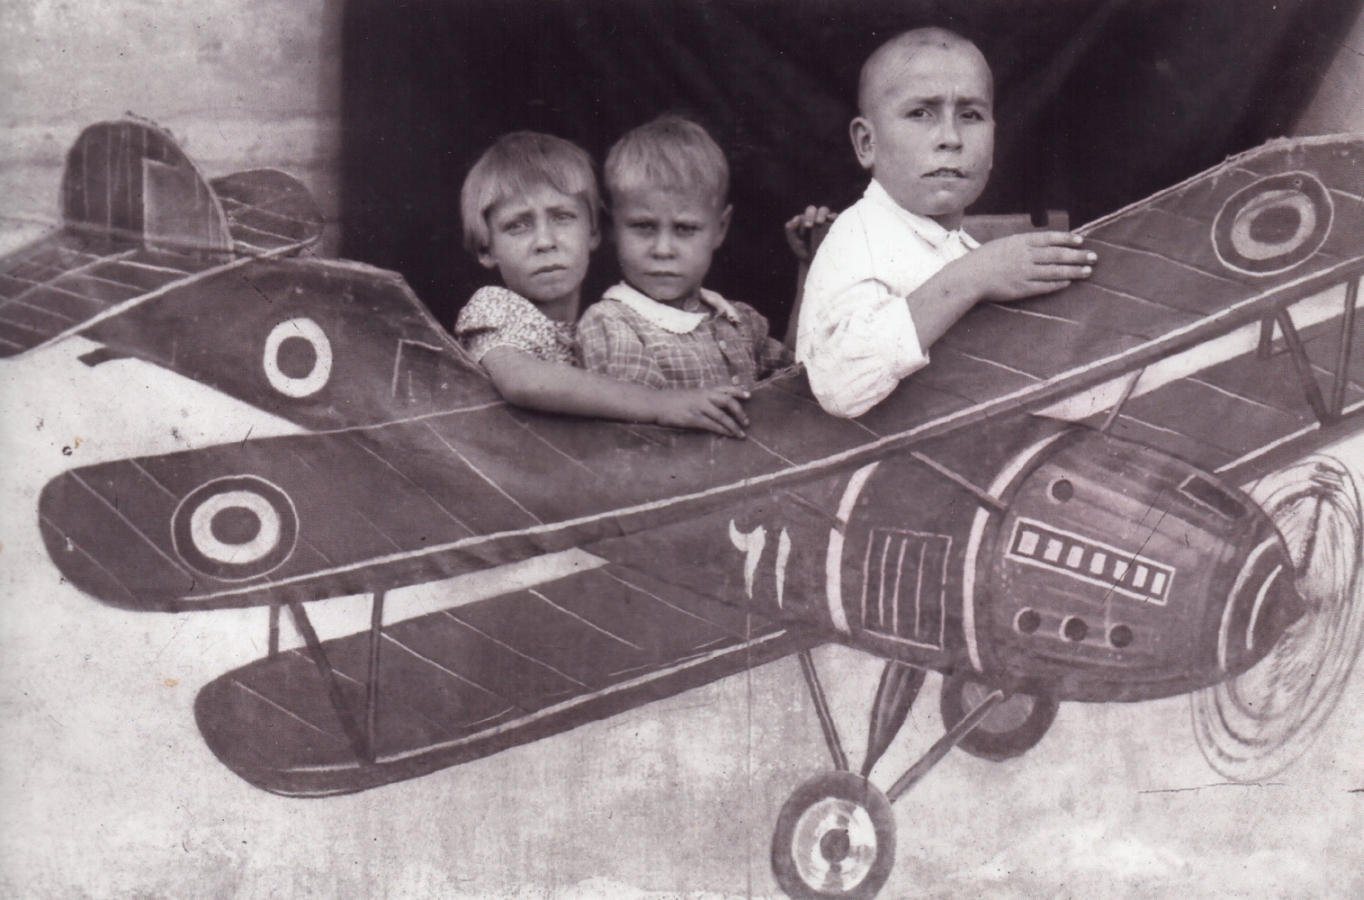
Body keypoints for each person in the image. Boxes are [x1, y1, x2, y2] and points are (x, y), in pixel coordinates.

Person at [795, 28, 1098, 418]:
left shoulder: (960, 248)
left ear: (992, 143)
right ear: (867, 143)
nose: (951, 138)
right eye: (921, 113)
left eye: (970, 115)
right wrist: (972, 277)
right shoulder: (856, 239)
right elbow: (837, 385)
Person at [454, 131, 750, 437]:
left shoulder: (598, 326)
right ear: (485, 248)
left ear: (594, 231)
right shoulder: (494, 307)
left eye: (562, 217)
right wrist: (661, 404)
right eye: (518, 225)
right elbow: (523, 381)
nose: (545, 242)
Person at [577, 116, 792, 394]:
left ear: (720, 228)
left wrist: (808, 269)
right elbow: (641, 433)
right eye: (643, 226)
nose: (663, 250)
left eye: (685, 228)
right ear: (612, 227)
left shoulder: (740, 320)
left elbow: (796, 387)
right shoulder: (610, 324)